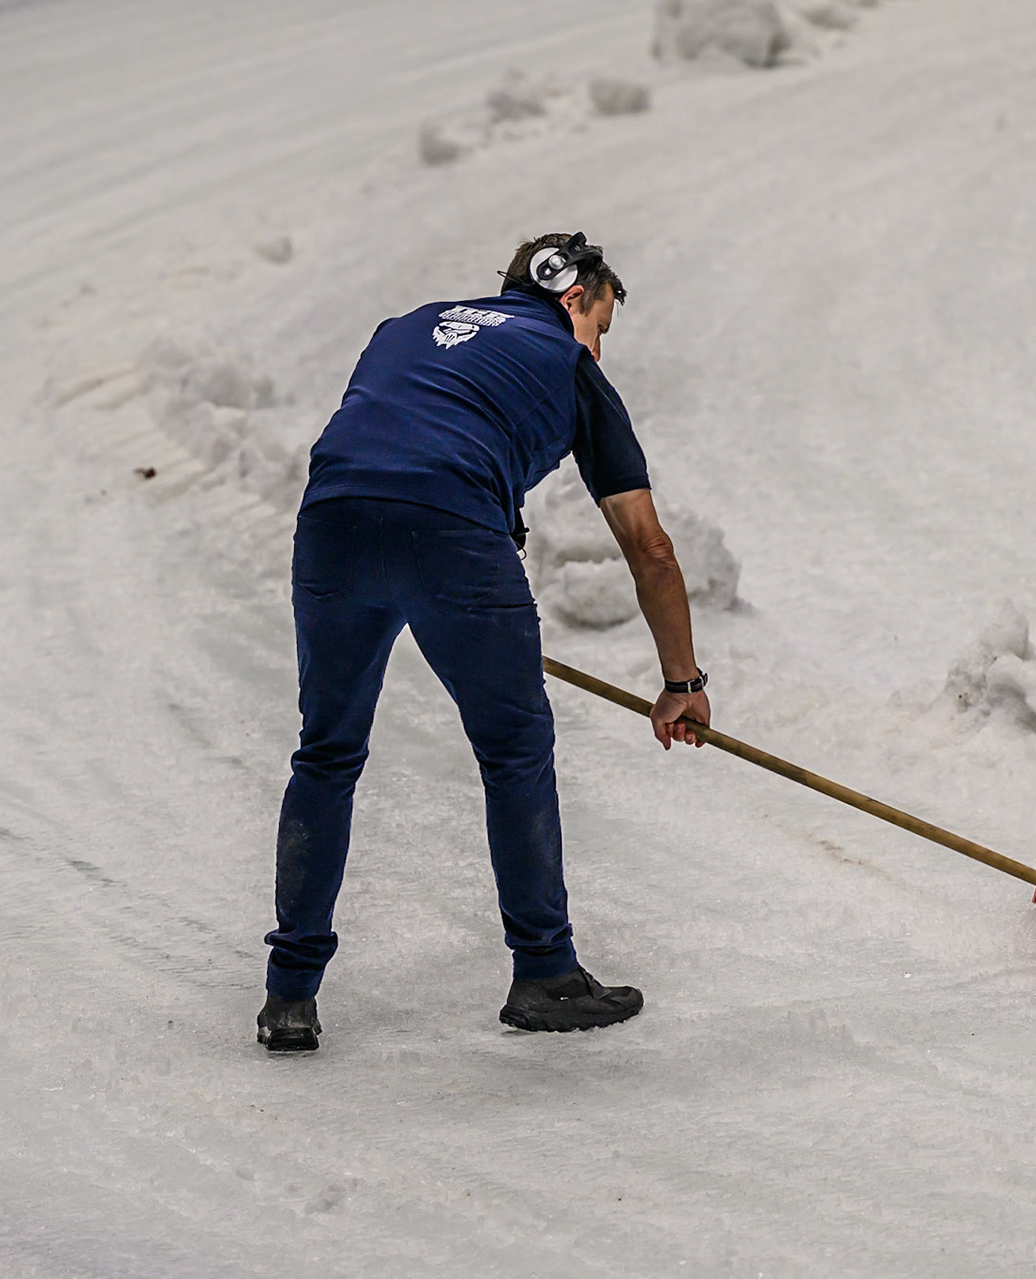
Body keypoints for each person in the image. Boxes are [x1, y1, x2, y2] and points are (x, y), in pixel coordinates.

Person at [257, 232, 711, 1053]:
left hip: (334, 523)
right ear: (573, 298)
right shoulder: (573, 370)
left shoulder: (407, 324)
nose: (599, 347)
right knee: (513, 748)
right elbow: (649, 546)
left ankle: (289, 994)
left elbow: (400, 428)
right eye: (601, 325)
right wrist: (683, 679)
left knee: (326, 752)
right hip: (454, 537)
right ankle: (544, 971)